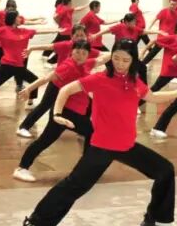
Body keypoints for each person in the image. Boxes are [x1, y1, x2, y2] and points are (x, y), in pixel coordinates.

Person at [19, 40, 177, 226]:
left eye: (125, 60)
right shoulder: (100, 78)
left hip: (126, 145)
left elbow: (153, 96)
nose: (120, 63)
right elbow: (66, 90)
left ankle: (157, 218)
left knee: (165, 170)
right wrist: (57, 113)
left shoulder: (134, 82)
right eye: (116, 58)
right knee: (74, 186)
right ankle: (33, 224)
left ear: (133, 61)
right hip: (102, 146)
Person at [13, 40, 111, 181]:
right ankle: (22, 168)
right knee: (91, 132)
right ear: (72, 52)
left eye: (84, 53)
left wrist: (119, 52)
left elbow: (102, 59)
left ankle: (85, 167)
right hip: (65, 111)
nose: (80, 55)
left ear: (88, 54)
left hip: (74, 111)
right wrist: (29, 88)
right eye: (77, 52)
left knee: (46, 140)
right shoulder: (68, 66)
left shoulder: (86, 64)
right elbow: (47, 77)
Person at [0, 12, 58, 114]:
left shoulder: (23, 31)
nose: (20, 19)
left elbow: (39, 31)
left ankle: (30, 103)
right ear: (13, 19)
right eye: (18, 17)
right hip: (7, 65)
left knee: (35, 81)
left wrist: (56, 30)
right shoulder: (3, 30)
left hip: (19, 66)